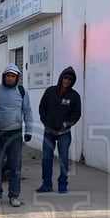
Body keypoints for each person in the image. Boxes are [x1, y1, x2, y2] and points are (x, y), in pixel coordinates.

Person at [0, 64, 34, 208]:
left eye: (13, 76)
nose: (10, 78)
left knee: (15, 166)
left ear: (17, 78)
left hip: (15, 134)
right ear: (4, 77)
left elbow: (28, 112)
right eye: (8, 76)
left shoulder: (22, 91)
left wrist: (29, 131)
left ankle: (14, 195)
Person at [37, 65, 82, 194]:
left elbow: (77, 114)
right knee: (46, 159)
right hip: (49, 132)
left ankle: (63, 184)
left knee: (63, 159)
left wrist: (67, 124)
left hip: (64, 133)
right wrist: (46, 123)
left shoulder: (74, 96)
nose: (67, 81)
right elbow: (42, 108)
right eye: (65, 78)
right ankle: (46, 184)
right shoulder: (50, 91)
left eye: (70, 79)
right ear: (61, 78)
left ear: (72, 81)